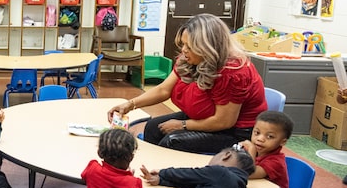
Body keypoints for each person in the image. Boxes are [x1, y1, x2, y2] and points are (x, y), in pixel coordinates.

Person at [109, 13, 267, 154]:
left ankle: (170, 178)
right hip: (202, 117)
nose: (184, 50)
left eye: (189, 47)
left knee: (173, 141)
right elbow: (164, 90)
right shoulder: (191, 58)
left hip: (233, 131)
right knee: (152, 128)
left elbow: (224, 121)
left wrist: (183, 125)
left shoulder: (233, 72)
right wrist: (130, 104)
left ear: (207, 48)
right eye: (183, 44)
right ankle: (155, 172)